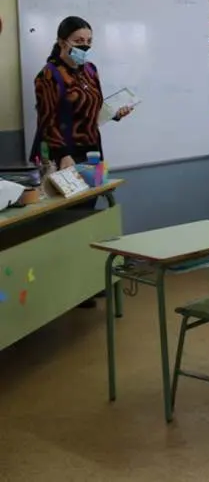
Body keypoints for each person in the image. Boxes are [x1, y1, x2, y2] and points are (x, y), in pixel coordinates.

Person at [31, 16, 133, 308]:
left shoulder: (90, 70)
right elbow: (46, 120)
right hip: (63, 155)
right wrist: (63, 156)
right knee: (66, 221)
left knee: (88, 217)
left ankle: (87, 284)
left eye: (88, 41)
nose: (84, 47)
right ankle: (66, 289)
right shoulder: (48, 75)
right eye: (78, 41)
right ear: (63, 41)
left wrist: (113, 113)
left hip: (92, 152)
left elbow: (93, 109)